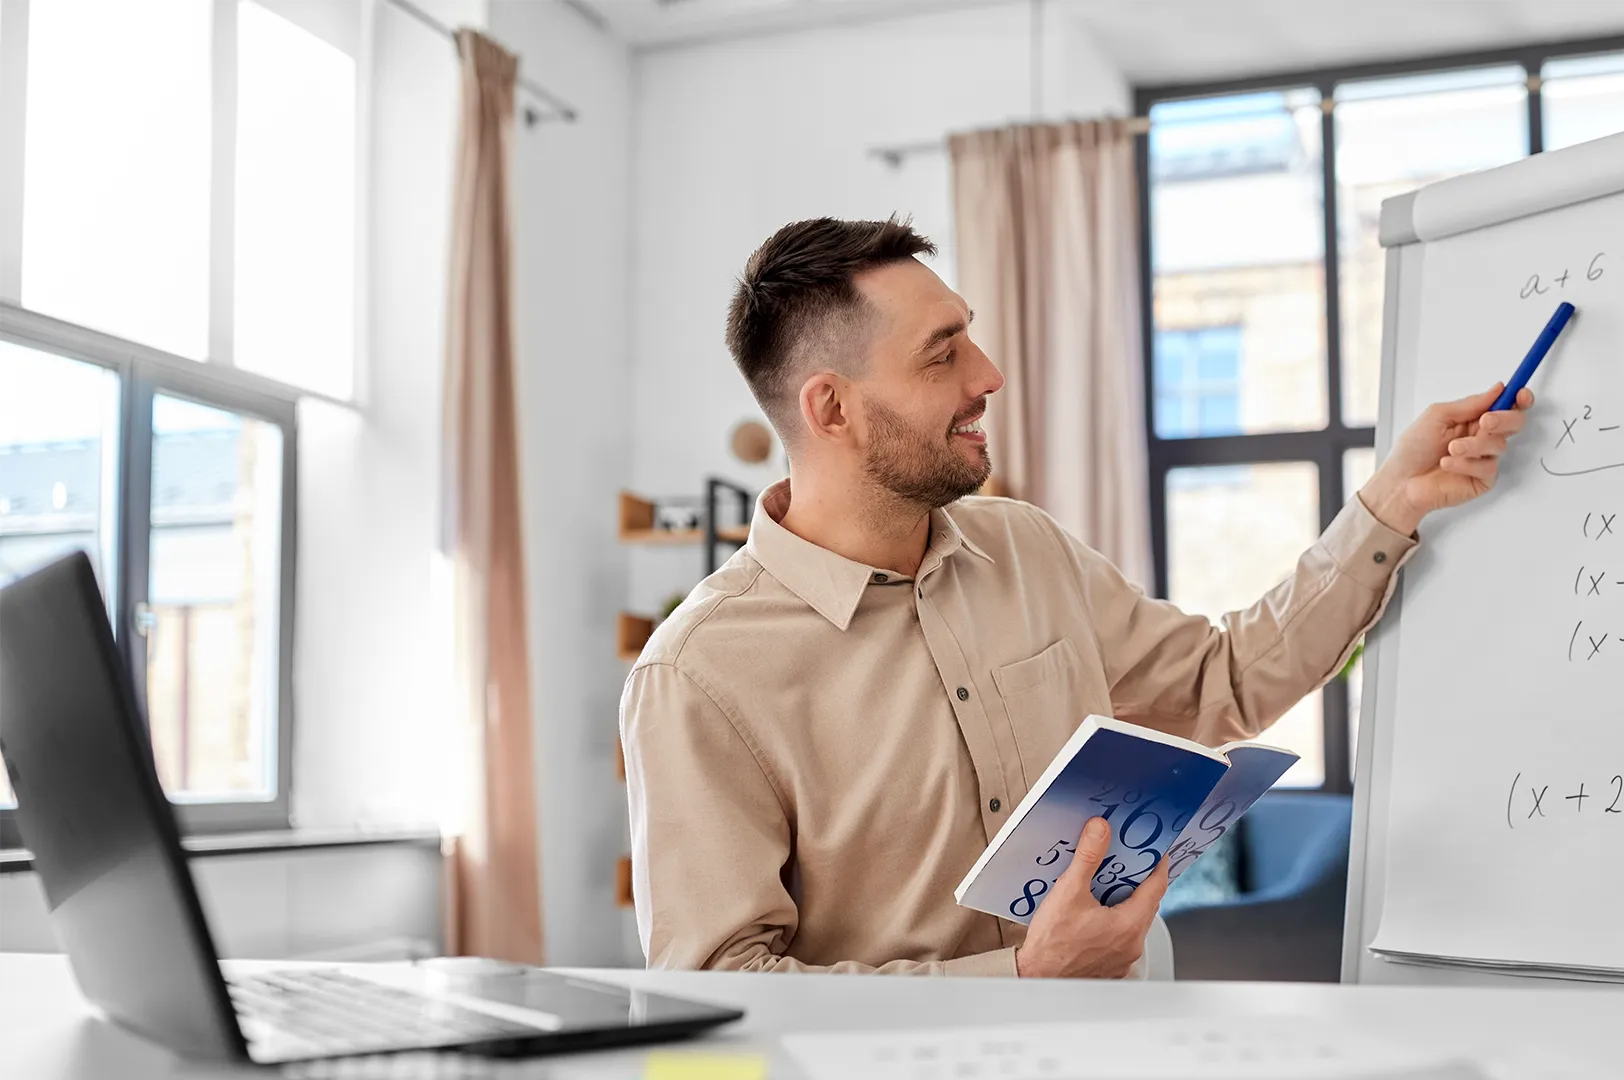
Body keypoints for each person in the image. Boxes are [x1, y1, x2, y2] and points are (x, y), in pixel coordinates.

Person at [619, 217, 1533, 977]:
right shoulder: (699, 675)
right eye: (943, 356)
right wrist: (1016, 978)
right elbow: (724, 986)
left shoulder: (1027, 546)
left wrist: (1393, 503)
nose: (988, 375)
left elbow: (1225, 682)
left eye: (969, 336)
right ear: (832, 410)